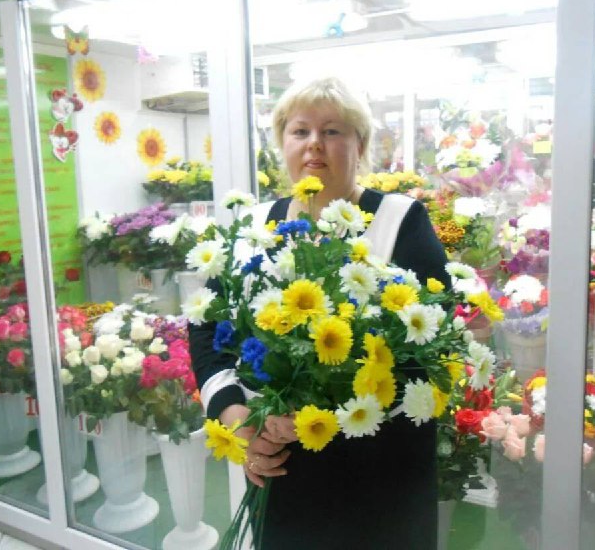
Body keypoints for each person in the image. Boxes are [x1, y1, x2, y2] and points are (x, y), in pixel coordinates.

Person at [189, 77, 451, 549]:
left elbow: (432, 338)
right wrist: (237, 415)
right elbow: (207, 327)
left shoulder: (398, 221)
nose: (314, 144)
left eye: (332, 131)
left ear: (360, 144)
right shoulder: (254, 227)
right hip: (283, 462)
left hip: (381, 470)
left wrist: (327, 402)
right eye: (300, 131)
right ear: (282, 143)